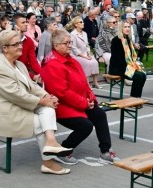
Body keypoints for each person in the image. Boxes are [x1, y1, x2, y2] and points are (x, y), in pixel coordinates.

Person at [0, 30, 72, 175]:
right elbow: (15, 95)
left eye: (20, 43)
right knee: (40, 122)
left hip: (19, 105)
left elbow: (32, 86)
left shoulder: (19, 64)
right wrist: (43, 101)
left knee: (48, 110)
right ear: (4, 48)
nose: (20, 46)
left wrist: (47, 96)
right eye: (16, 44)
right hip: (4, 112)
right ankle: (48, 162)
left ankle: (50, 142)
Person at [41, 29, 120, 165]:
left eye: (70, 42)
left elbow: (83, 82)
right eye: (66, 43)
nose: (70, 45)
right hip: (61, 106)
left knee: (99, 114)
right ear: (56, 45)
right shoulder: (52, 64)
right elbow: (62, 93)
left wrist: (90, 98)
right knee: (85, 126)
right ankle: (63, 150)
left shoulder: (71, 60)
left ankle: (105, 151)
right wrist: (84, 103)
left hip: (79, 102)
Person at [109, 21, 147, 98]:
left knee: (143, 75)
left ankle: (137, 97)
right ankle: (134, 98)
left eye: (128, 27)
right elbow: (117, 58)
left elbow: (132, 55)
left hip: (127, 66)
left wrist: (134, 65)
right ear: (121, 28)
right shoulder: (116, 40)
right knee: (138, 76)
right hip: (118, 67)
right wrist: (130, 67)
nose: (127, 29)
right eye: (125, 27)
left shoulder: (128, 39)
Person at [68, 16, 100, 89]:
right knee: (87, 63)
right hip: (76, 55)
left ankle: (95, 82)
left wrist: (89, 52)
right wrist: (84, 56)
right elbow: (73, 48)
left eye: (82, 22)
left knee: (94, 62)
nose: (83, 23)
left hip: (85, 53)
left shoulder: (85, 33)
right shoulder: (72, 34)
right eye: (80, 22)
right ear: (76, 24)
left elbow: (87, 45)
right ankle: (87, 84)